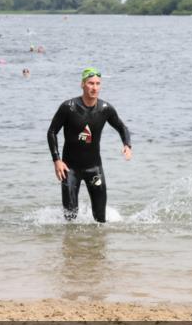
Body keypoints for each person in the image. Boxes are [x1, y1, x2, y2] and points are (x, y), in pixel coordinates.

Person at [47, 68, 132, 223]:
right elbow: (52, 132)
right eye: (90, 83)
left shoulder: (105, 109)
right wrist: (57, 160)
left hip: (94, 168)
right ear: (82, 84)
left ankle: (97, 246)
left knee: (100, 219)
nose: (94, 87)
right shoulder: (69, 107)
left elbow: (122, 127)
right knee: (70, 217)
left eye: (98, 84)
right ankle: (70, 246)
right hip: (69, 169)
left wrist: (127, 145)